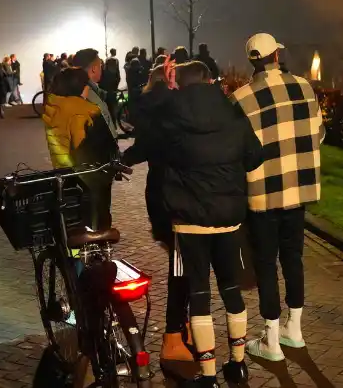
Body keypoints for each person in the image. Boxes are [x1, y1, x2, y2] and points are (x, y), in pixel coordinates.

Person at [133, 62, 263, 386]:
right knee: (231, 290)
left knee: (200, 293)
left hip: (189, 220)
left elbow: (146, 144)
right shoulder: (231, 112)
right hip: (229, 219)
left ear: (180, 82)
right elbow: (255, 157)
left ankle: (208, 375)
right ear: (210, 80)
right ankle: (238, 363)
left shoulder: (171, 114)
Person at [230, 33, 324, 361]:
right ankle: (294, 330)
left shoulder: (240, 98)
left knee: (266, 264)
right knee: (293, 258)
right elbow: (318, 133)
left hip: (261, 194)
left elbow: (236, 150)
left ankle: (270, 339)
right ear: (276, 55)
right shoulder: (303, 86)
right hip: (297, 189)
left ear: (252, 60)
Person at [121, 63, 192, 364]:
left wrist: (123, 159)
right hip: (177, 197)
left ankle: (183, 325)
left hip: (161, 195)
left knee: (183, 263)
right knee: (182, 265)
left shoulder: (152, 108)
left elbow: (144, 146)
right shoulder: (175, 110)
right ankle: (173, 335)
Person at [42, 67, 119, 231]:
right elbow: (99, 146)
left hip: (63, 172)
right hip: (89, 179)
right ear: (80, 87)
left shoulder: (54, 106)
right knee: (97, 221)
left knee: (73, 220)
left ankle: (74, 253)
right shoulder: (85, 111)